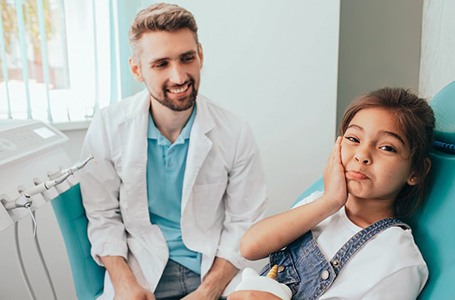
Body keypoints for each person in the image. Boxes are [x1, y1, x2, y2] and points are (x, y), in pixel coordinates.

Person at [79, 3, 267, 299]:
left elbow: (245, 221)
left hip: (216, 270)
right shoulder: (108, 127)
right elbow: (103, 216)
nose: (179, 77)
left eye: (187, 58)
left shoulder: (234, 131)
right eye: (161, 64)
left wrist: (208, 291)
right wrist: (125, 283)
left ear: (200, 56)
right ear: (137, 70)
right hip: (142, 271)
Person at [228, 87, 435, 300]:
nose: (362, 155)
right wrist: (329, 201)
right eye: (353, 139)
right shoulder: (319, 204)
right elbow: (249, 247)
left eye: (387, 148)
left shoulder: (397, 260)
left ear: (416, 171)